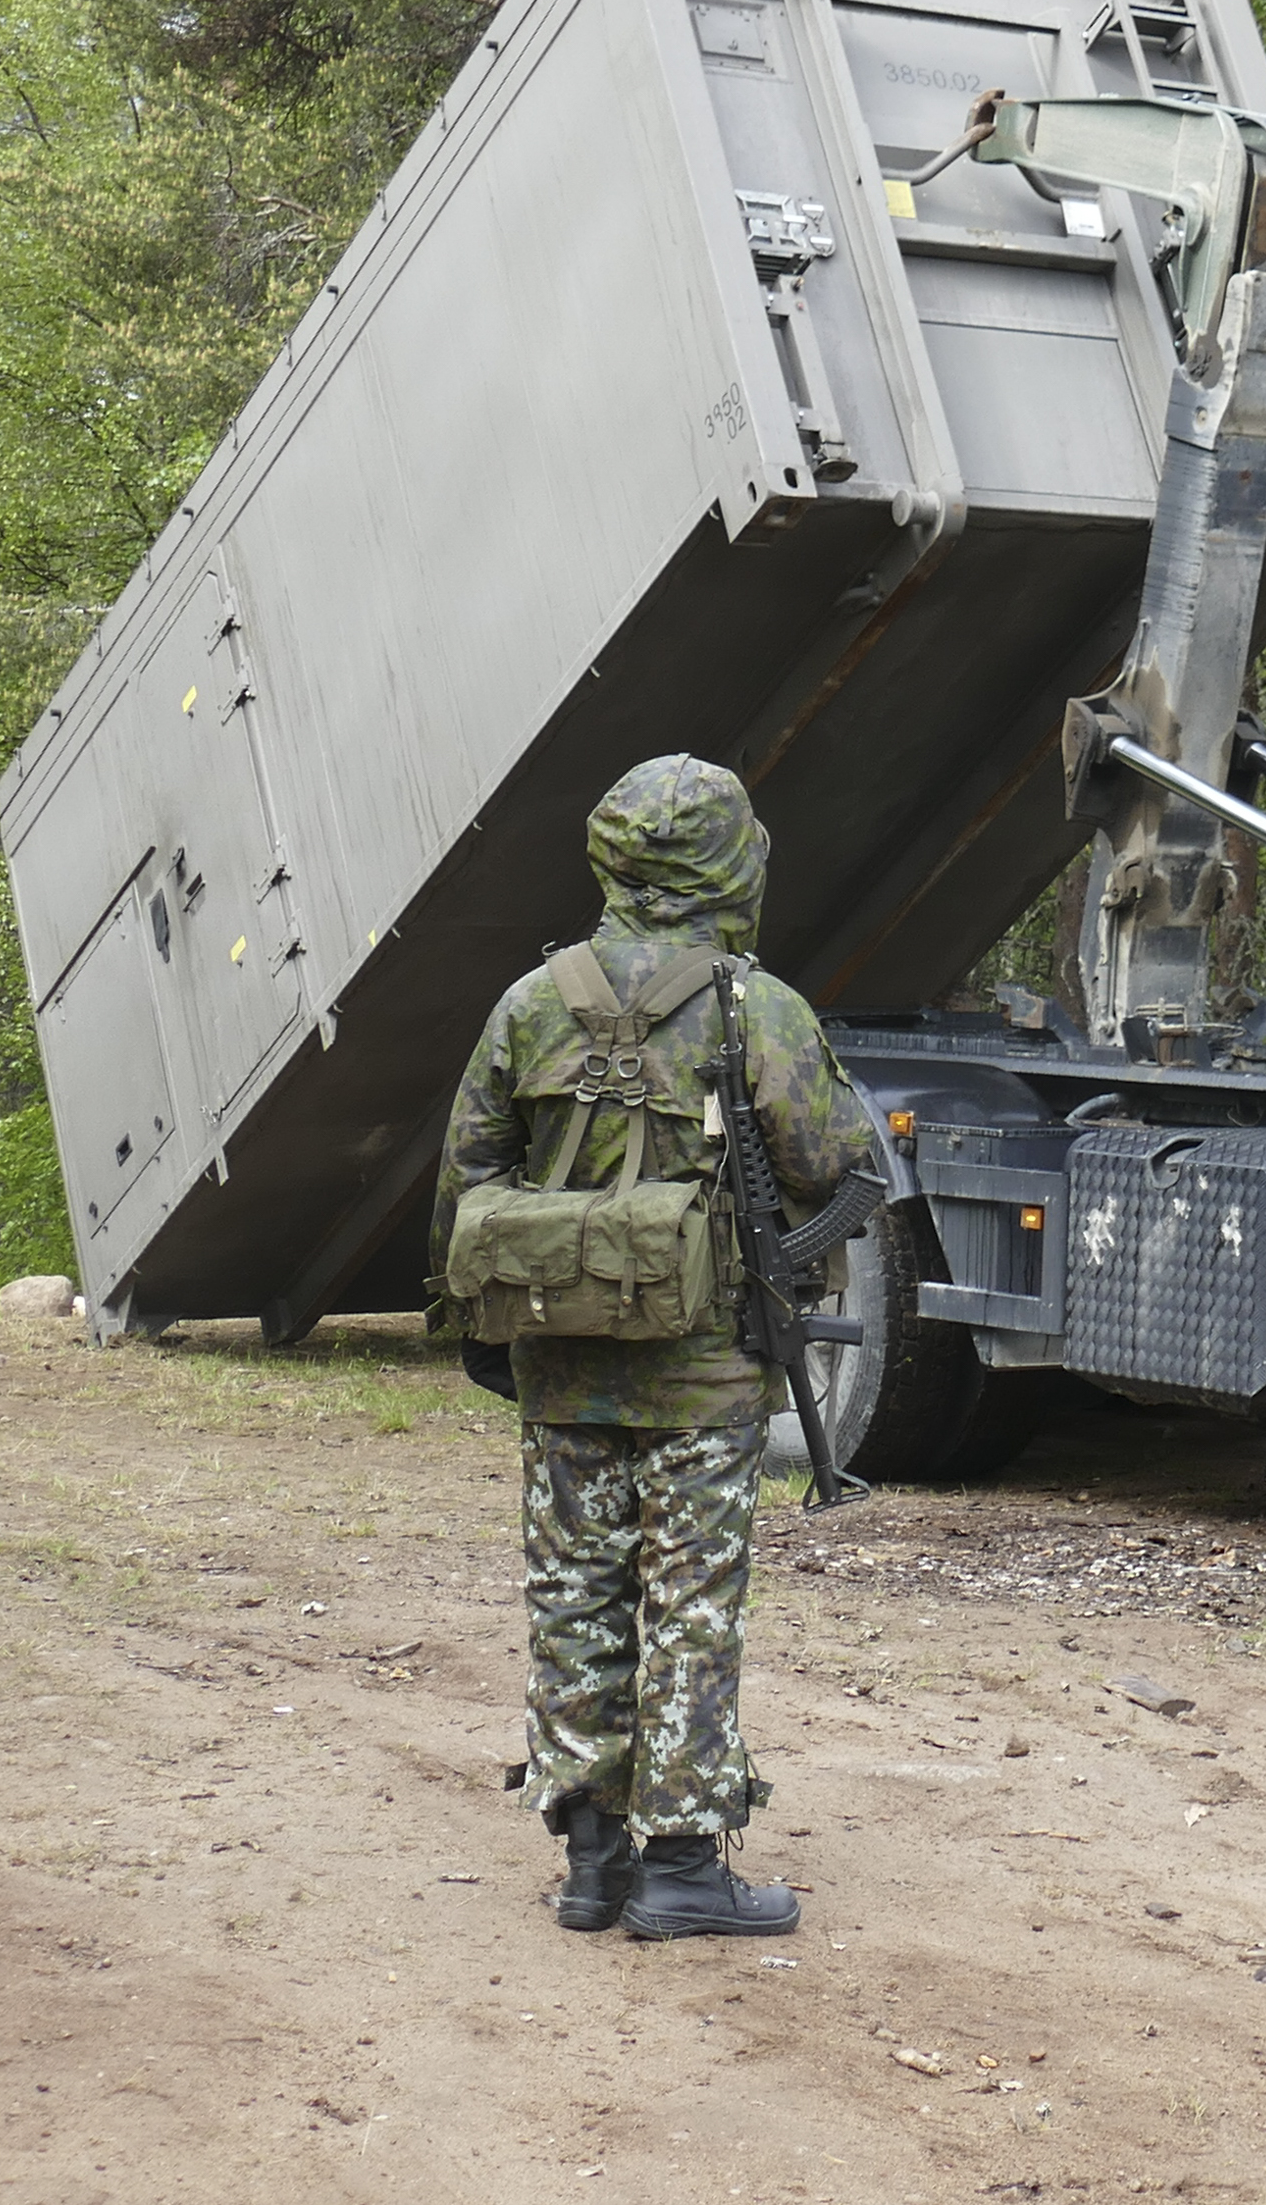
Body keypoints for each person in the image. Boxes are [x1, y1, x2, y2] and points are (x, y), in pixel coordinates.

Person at [434, 755, 872, 1938]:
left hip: (560, 1360)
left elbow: (467, 1179)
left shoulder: (529, 1004)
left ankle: (591, 1860)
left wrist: (483, 1337)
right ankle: (683, 1865)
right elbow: (842, 1173)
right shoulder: (754, 1007)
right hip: (704, 1373)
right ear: (730, 862)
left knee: (570, 1590)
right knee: (689, 1602)